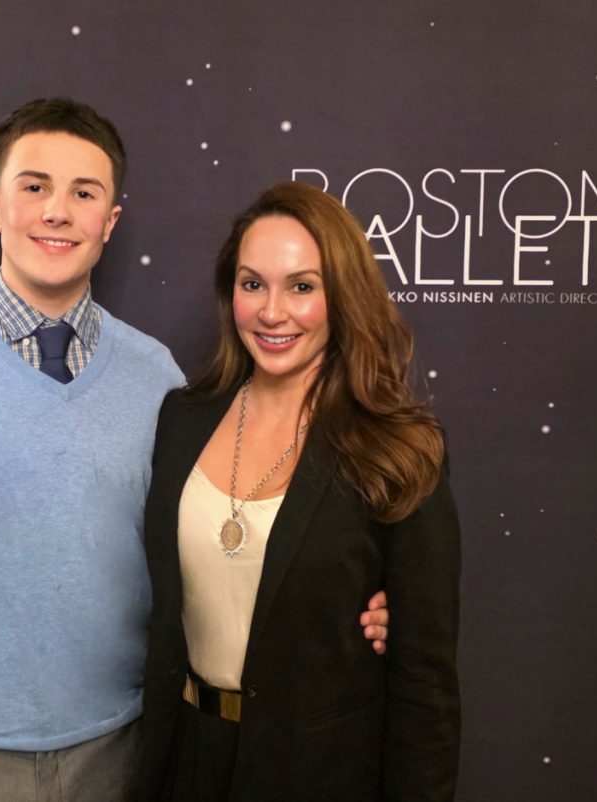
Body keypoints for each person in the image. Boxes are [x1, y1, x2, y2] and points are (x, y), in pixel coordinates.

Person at [0, 99, 391, 802]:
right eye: (34, 186)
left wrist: (350, 606)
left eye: (84, 193)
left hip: (119, 756)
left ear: (109, 222)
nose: (57, 211)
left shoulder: (159, 380)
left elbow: (210, 549)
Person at [137, 181, 461, 801]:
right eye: (252, 283)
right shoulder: (183, 418)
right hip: (183, 758)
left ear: (343, 296)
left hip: (317, 773)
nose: (272, 311)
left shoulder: (397, 447)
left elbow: (426, 687)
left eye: (302, 286)